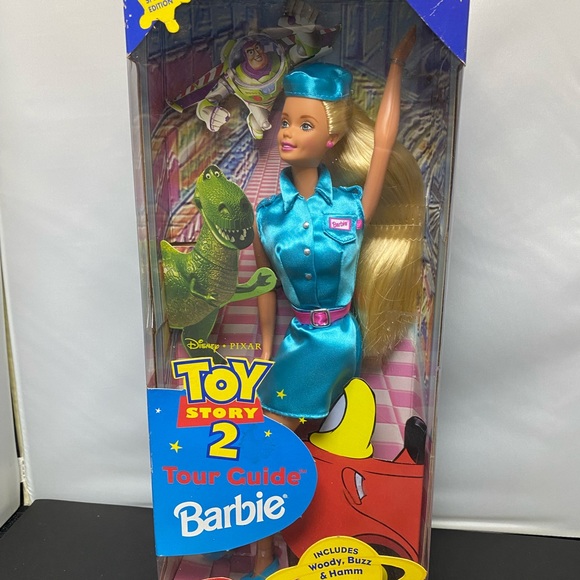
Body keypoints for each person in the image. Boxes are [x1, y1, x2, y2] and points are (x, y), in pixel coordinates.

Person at [246, 28, 424, 578]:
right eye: (285, 122)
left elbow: (385, 145)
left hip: (337, 339)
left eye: (305, 124)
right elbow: (264, 286)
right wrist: (262, 350)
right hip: (298, 340)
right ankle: (292, 547)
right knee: (285, 448)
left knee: (273, 446)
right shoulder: (267, 216)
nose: (288, 133)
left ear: (332, 137)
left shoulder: (349, 206)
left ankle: (268, 554)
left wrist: (396, 66)